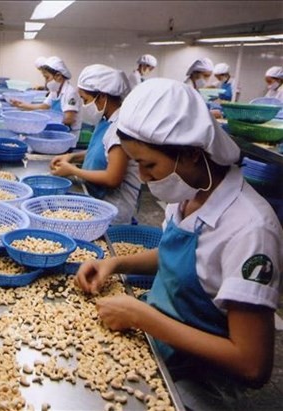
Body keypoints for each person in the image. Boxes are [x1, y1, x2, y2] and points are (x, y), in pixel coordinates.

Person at [76, 78, 282, 410]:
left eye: (149, 164)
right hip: (158, 349)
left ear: (190, 154)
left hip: (200, 383)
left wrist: (143, 318)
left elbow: (252, 364)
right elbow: (179, 255)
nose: (142, 176)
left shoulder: (250, 229)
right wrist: (115, 263)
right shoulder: (186, 191)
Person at [50, 64, 140, 224]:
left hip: (113, 212)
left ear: (103, 97)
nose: (83, 105)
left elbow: (113, 178)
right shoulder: (105, 119)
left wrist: (72, 170)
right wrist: (72, 157)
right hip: (97, 201)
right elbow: (102, 152)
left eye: (85, 99)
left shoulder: (120, 127)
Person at [10, 56, 82, 134]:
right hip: (56, 129)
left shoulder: (70, 93)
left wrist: (44, 121)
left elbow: (69, 119)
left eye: (47, 77)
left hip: (68, 133)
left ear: (58, 76)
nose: (46, 82)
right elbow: (44, 106)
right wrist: (21, 105)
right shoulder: (55, 90)